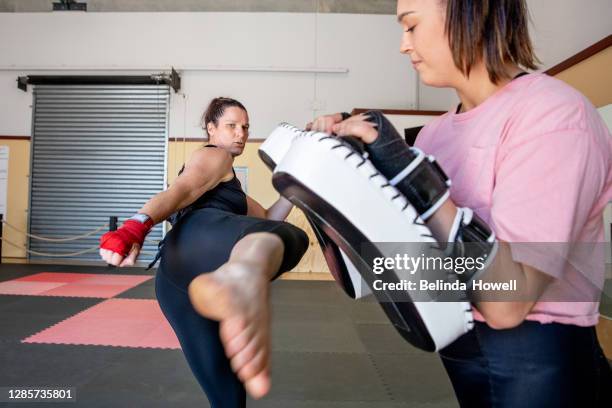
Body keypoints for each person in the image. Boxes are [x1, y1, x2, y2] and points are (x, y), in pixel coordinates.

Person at [308, 0, 612, 406]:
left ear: (471, 12)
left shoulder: (553, 115)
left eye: (412, 26)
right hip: (466, 363)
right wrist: (337, 188)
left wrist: (413, 178)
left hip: (542, 370)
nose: (403, 45)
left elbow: (509, 301)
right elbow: (388, 276)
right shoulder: (434, 136)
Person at [100, 97, 308, 407]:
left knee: (227, 395)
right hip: (201, 238)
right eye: (231, 126)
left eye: (246, 127)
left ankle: (237, 275)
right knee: (292, 239)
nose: (241, 134)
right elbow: (181, 190)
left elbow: (266, 217)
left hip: (175, 282)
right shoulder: (214, 157)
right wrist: (135, 226)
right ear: (211, 128)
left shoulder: (229, 184)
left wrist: (295, 187)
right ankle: (242, 274)